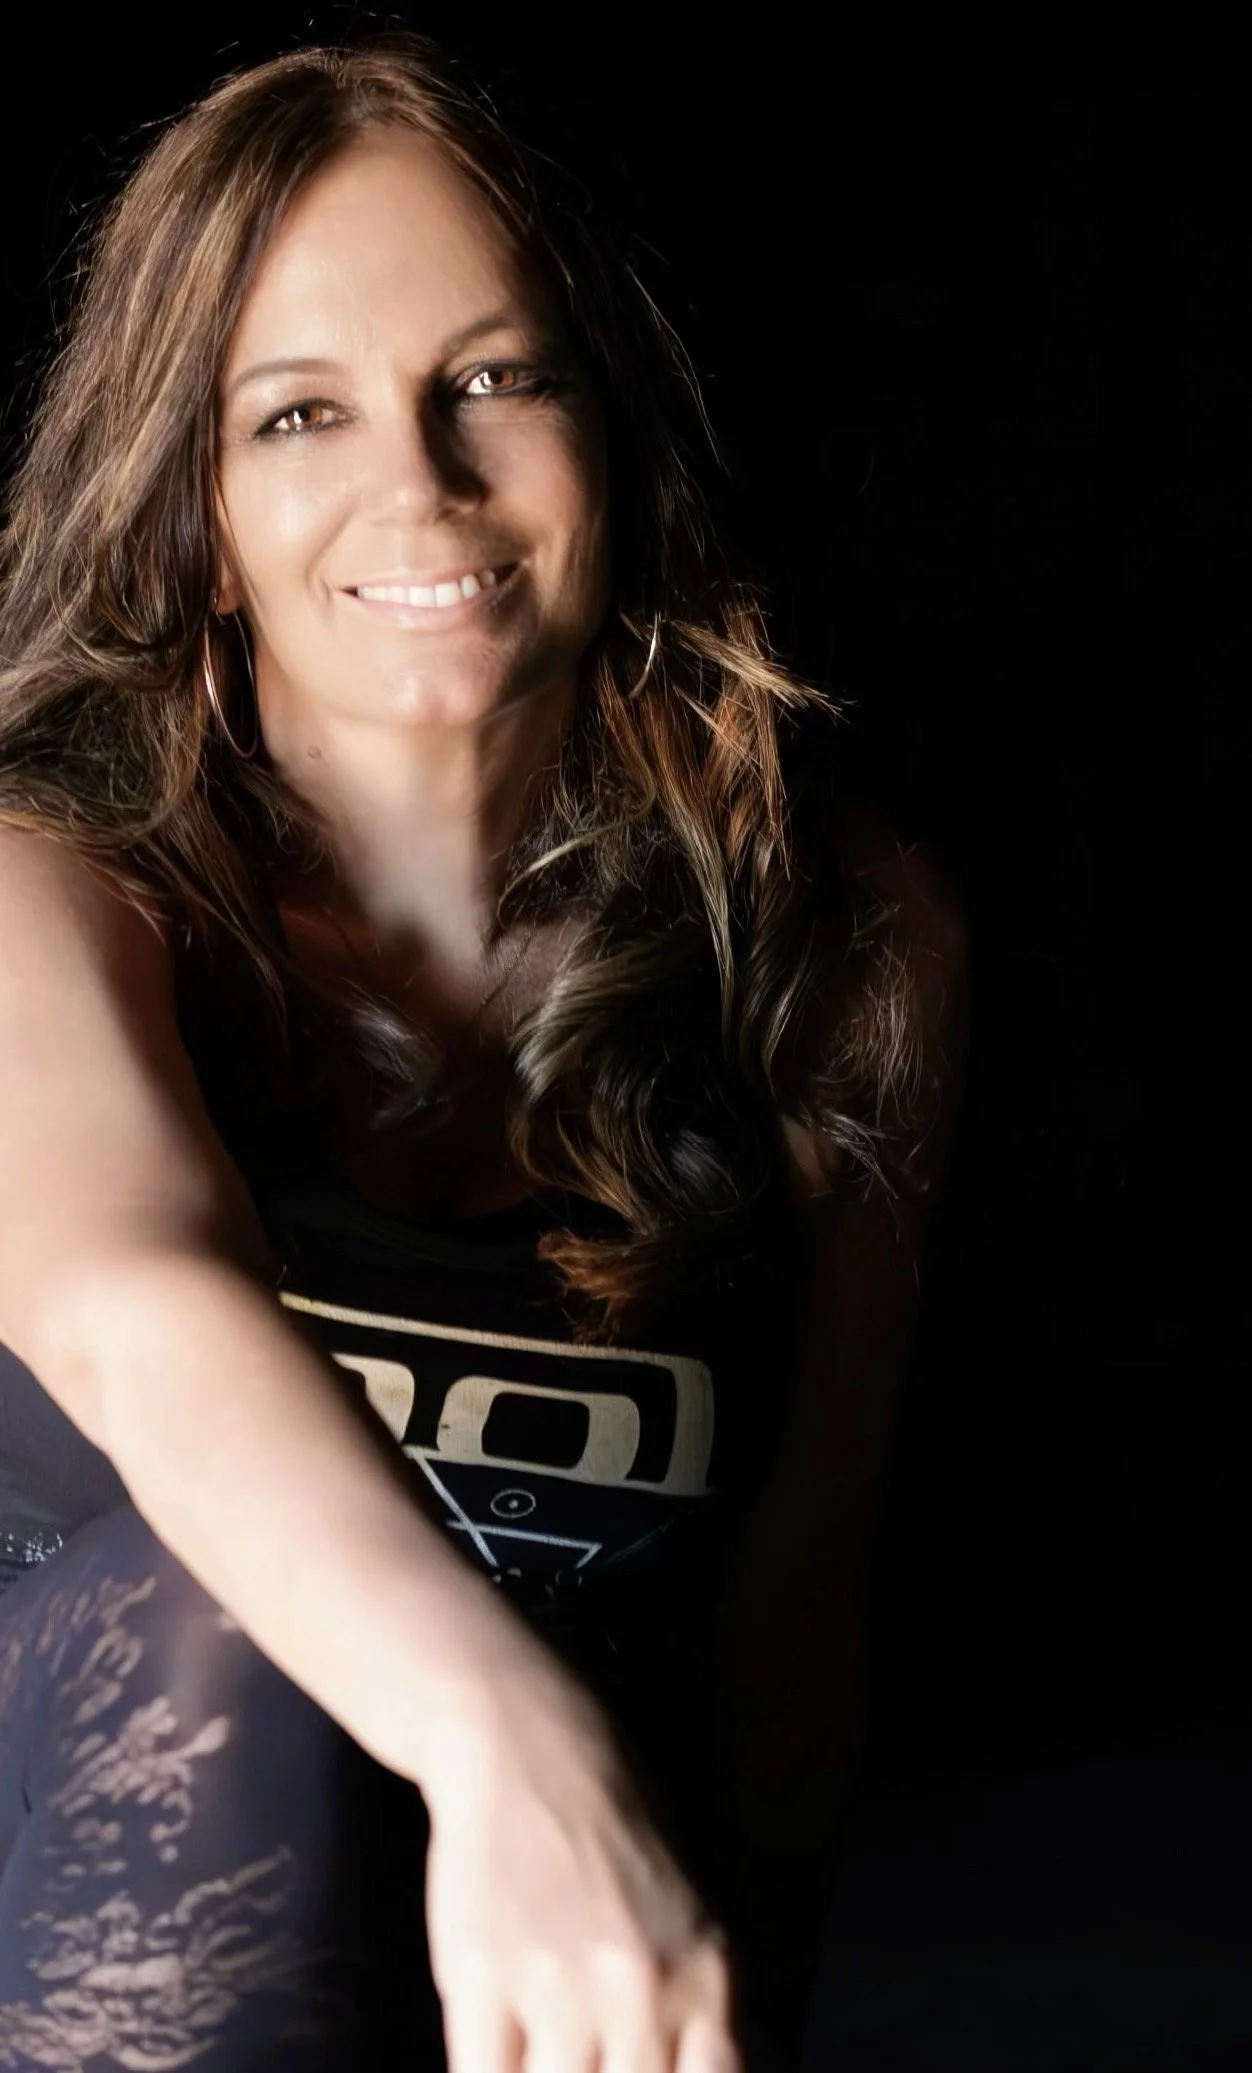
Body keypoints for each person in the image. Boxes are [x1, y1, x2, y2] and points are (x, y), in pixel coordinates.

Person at [0, 34, 968, 2073]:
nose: (417, 481)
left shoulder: (835, 939)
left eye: (496, 378)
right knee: (224, 1646)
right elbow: (124, 1296)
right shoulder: (47, 889)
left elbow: (788, 1626)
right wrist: (503, 1743)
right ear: (194, 500)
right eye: (297, 413)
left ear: (606, 424)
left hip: (484, 1995)